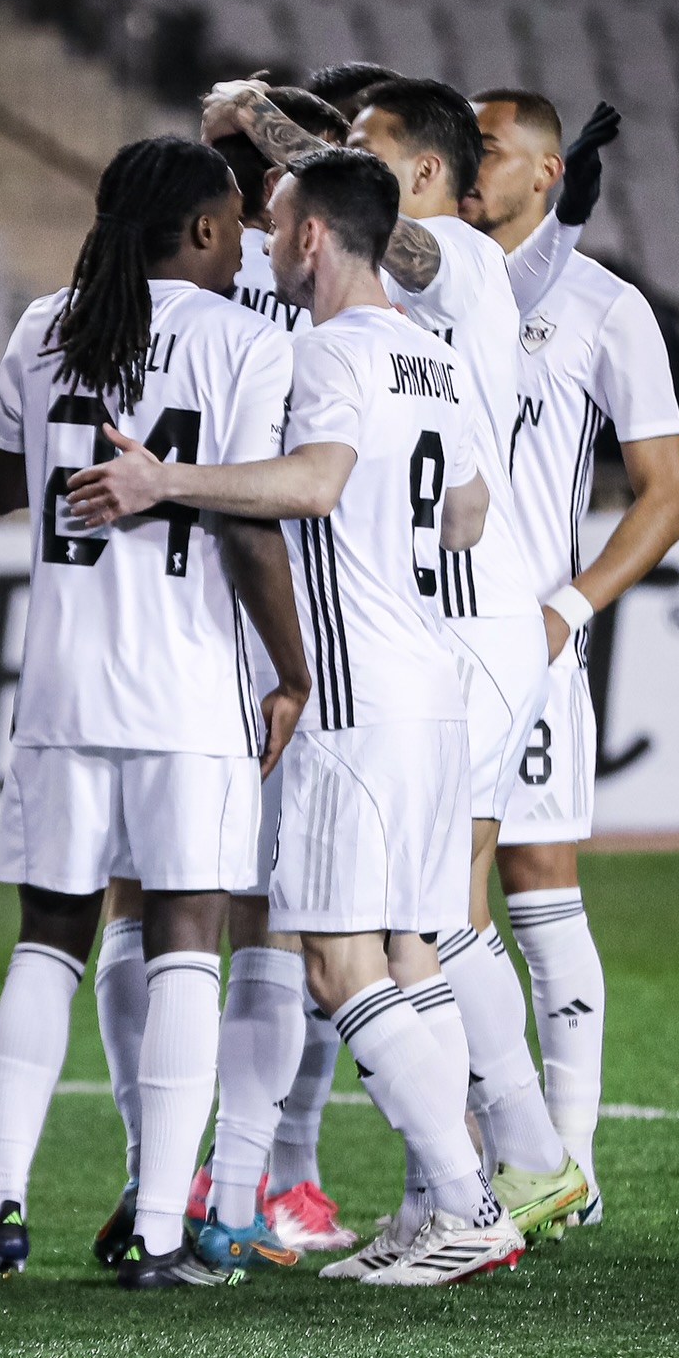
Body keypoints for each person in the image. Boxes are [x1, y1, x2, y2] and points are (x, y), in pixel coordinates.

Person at [69, 147, 526, 1287]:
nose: (265, 243)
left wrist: (169, 480)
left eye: (275, 223)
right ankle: (434, 1210)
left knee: (335, 965)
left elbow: (315, 482)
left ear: (312, 236)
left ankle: (471, 1206)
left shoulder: (325, 352)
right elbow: (467, 515)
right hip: (433, 686)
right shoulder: (434, 352)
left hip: (354, 696)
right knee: (410, 950)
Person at [204, 77, 588, 1258]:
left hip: (437, 633)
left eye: (365, 148)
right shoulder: (424, 331)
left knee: (407, 931)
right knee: (420, 928)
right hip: (445, 624)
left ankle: (511, 1167)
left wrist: (261, 117)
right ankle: (450, 1195)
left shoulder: (448, 258)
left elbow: (364, 220)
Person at [0, 135, 309, 1291]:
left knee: (49, 938)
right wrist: (292, 672)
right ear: (200, 229)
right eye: (237, 220)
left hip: (60, 684)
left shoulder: (45, 324)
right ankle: (154, 1226)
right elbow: (250, 527)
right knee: (187, 938)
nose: (246, 239)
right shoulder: (243, 340)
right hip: (186, 689)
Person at [91, 86, 357, 1264]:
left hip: (163, 620)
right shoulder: (310, 279)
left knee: (144, 900)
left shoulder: (152, 277)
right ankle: (247, 1185)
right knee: (262, 919)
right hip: (276, 607)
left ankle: (166, 1169)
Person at [466, 90, 679, 1223]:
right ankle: (476, 1167)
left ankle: (574, 1165)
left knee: (539, 883)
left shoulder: (607, 308)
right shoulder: (428, 286)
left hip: (528, 645)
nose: (465, 164)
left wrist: (567, 608)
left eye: (486, 147)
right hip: (422, 646)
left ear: (548, 170)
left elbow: (668, 492)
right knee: (434, 906)